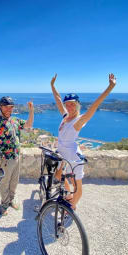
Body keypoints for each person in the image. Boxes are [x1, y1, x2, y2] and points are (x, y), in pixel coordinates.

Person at [51, 73, 116, 210]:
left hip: (74, 158)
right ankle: (69, 197)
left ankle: (72, 207)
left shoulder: (78, 121)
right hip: (63, 156)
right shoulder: (65, 117)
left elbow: (94, 106)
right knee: (61, 177)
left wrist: (110, 87)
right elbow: (57, 99)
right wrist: (52, 86)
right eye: (67, 104)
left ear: (77, 105)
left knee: (77, 184)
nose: (69, 107)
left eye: (72, 104)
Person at [0, 94, 34, 215]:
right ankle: (4, 204)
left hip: (16, 156)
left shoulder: (15, 120)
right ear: (1, 107)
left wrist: (31, 111)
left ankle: (11, 199)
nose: (9, 109)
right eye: (6, 107)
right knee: (5, 183)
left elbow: (28, 125)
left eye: (11, 107)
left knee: (14, 181)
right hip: (4, 159)